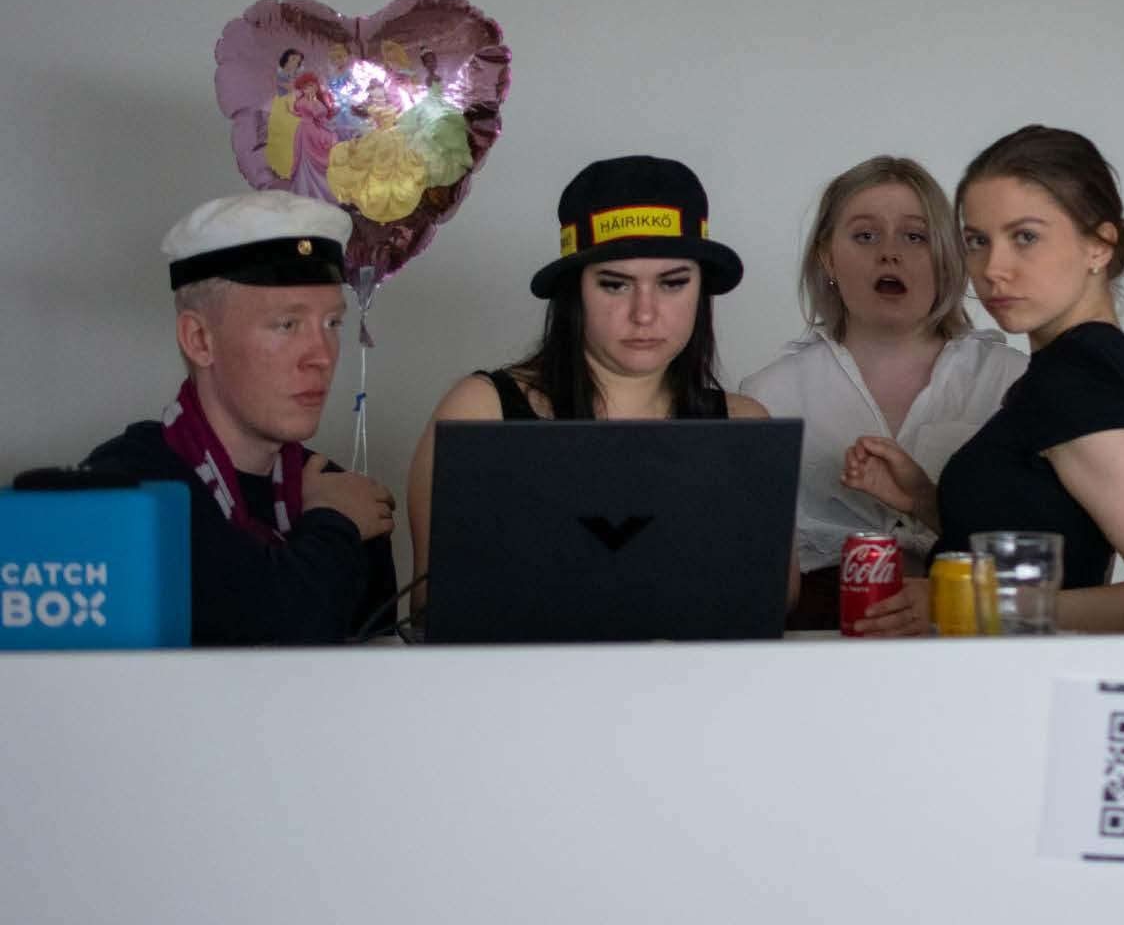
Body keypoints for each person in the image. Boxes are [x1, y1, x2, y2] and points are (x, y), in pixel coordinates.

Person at [742, 156, 1124, 630]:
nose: (890, 252)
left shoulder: (1020, 377)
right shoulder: (767, 395)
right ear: (827, 258)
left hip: (978, 639)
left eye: (915, 236)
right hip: (822, 644)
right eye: (865, 235)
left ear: (947, 257)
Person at [839, 128, 1124, 635]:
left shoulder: (1079, 375)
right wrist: (923, 499)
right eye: (977, 241)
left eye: (1025, 237)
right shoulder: (1067, 365)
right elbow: (1055, 530)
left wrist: (958, 603)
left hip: (1025, 673)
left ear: (1099, 245)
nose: (993, 269)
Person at [405, 155, 783, 612]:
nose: (644, 313)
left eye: (672, 283)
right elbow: (433, 605)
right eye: (615, 285)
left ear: (701, 290)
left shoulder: (744, 425)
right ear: (574, 291)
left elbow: (776, 596)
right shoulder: (482, 412)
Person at [83, 192, 399, 645]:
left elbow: (371, 679)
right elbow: (257, 627)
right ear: (199, 340)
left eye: (332, 324)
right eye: (287, 325)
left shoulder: (343, 495)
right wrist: (334, 525)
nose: (321, 356)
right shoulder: (127, 489)